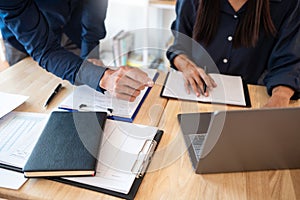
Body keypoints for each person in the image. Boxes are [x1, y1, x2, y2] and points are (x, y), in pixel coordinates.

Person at [0, 0, 153, 102]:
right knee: (28, 98)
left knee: (79, 90)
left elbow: (94, 5)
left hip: (71, 26)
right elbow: (44, 49)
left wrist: (90, 51)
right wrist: (105, 78)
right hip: (21, 37)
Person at [167, 0, 300, 107]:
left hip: (255, 99)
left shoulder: (287, 4)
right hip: (195, 97)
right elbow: (179, 46)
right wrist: (186, 66)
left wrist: (280, 97)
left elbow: (287, 64)